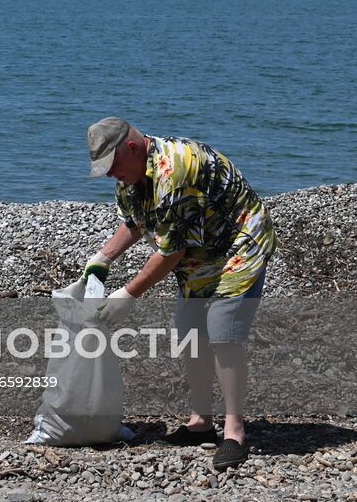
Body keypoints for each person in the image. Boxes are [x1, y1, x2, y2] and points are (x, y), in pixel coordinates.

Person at [82, 117, 276, 471]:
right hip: (200, 252)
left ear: (131, 147)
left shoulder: (177, 170)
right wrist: (102, 259)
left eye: (112, 166)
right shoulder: (132, 174)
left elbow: (172, 252)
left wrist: (127, 295)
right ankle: (201, 422)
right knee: (189, 331)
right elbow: (135, 222)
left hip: (237, 244)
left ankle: (235, 432)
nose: (110, 175)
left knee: (223, 332)